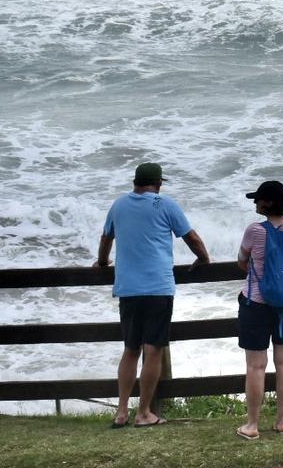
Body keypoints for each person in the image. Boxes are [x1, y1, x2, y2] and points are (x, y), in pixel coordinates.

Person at [94, 162, 210, 428]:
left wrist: (102, 263)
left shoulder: (118, 205)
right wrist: (203, 258)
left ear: (135, 182)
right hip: (157, 287)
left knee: (130, 350)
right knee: (153, 349)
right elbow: (191, 237)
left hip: (128, 288)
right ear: (158, 184)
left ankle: (121, 411)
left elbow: (105, 239)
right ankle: (144, 412)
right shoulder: (165, 204)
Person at [235, 180, 283, 440]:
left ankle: (252, 425)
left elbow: (242, 261)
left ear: (268, 203)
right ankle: (282, 421)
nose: (255, 203)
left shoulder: (255, 231)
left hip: (257, 302)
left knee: (256, 366)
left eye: (258, 199)